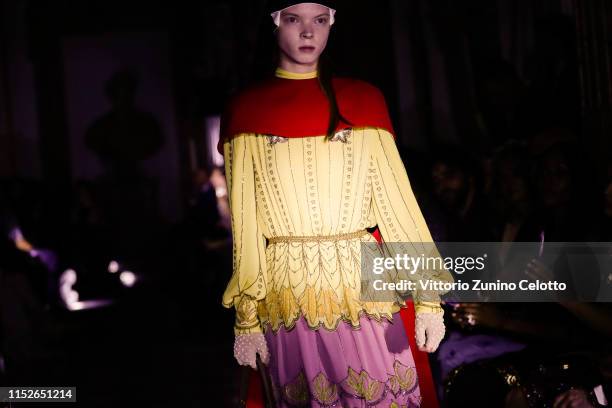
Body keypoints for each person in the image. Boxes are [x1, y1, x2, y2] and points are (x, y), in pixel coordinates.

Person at [218, 2, 453, 406]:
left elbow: (396, 203)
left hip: (363, 281)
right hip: (286, 290)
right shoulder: (246, 110)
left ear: (332, 23)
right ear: (275, 24)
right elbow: (248, 224)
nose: (308, 33)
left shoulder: (363, 99)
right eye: (294, 19)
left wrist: (429, 296)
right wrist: (247, 317)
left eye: (319, 20)